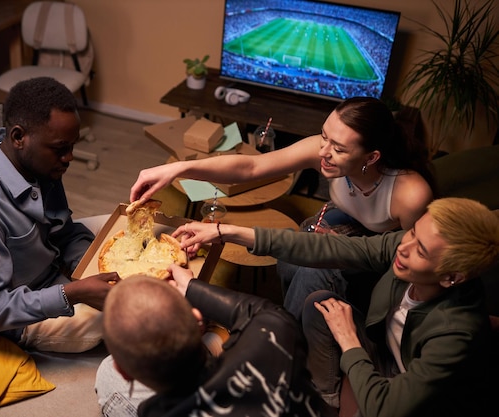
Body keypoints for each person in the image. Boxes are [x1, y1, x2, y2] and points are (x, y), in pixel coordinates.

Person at [171, 197, 499, 416]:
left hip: (404, 396)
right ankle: (321, 402)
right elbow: (327, 247)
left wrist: (350, 343)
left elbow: (384, 409)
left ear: (451, 277)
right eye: (412, 232)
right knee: (319, 304)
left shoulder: (456, 335)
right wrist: (224, 231)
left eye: (422, 250)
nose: (405, 247)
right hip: (383, 353)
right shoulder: (405, 248)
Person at [130, 97, 434, 319]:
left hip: (379, 249)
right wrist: (179, 169)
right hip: (340, 219)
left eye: (338, 149)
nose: (323, 153)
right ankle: (296, 316)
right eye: (324, 137)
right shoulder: (325, 148)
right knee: (290, 260)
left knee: (311, 274)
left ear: (371, 157)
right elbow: (250, 167)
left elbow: (411, 260)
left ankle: (286, 341)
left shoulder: (410, 194)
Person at [0, 77, 119, 353]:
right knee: (131, 310)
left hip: (55, 275)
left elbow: (64, 232)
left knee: (128, 236)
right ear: (19, 137)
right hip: (16, 317)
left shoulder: (39, 165)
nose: (69, 157)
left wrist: (85, 266)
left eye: (72, 146)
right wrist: (73, 293)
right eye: (60, 148)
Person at [95, 268, 338, 417]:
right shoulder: (276, 335)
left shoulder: (153, 411)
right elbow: (268, 312)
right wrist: (191, 288)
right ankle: (216, 340)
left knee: (105, 370)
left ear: (125, 372)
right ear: (197, 318)